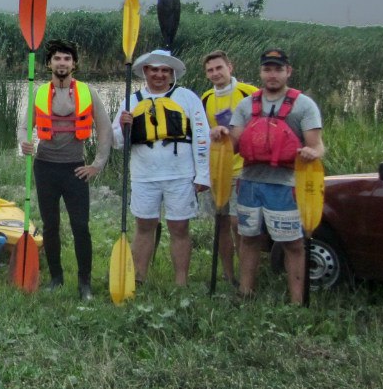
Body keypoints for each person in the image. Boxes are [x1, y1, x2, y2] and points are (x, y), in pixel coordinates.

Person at [19, 38, 113, 299]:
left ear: (74, 64)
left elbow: (105, 129)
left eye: (67, 59)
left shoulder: (88, 92)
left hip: (75, 168)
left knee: (80, 226)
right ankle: (56, 278)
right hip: (45, 167)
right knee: (50, 225)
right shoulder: (38, 92)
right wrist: (24, 143)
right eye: (57, 59)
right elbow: (23, 126)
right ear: (49, 63)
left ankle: (85, 284)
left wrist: (97, 165)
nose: (62, 63)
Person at [230, 49, 325, 303]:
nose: (272, 75)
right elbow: (234, 145)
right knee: (248, 239)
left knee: (292, 243)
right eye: (267, 69)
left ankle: (297, 301)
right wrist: (220, 137)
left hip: (285, 185)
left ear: (288, 71)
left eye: (278, 69)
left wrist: (311, 153)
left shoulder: (303, 105)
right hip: (250, 182)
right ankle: (245, 293)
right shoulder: (246, 105)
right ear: (261, 72)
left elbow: (318, 146)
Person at [113, 49, 210, 286]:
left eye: (165, 70)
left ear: (172, 73)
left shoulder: (187, 97)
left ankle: (181, 282)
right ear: (145, 72)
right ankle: (138, 278)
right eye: (154, 70)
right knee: (144, 225)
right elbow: (117, 142)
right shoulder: (131, 100)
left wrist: (203, 174)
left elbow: (202, 136)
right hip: (144, 175)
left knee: (179, 226)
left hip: (180, 174)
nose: (159, 75)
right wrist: (123, 126)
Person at [200, 51, 258, 288]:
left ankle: (247, 276)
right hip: (218, 169)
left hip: (244, 169)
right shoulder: (205, 98)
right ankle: (228, 274)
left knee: (239, 225)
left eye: (219, 68)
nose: (215, 74)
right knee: (222, 223)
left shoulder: (249, 93)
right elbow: (202, 134)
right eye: (210, 70)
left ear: (230, 67)